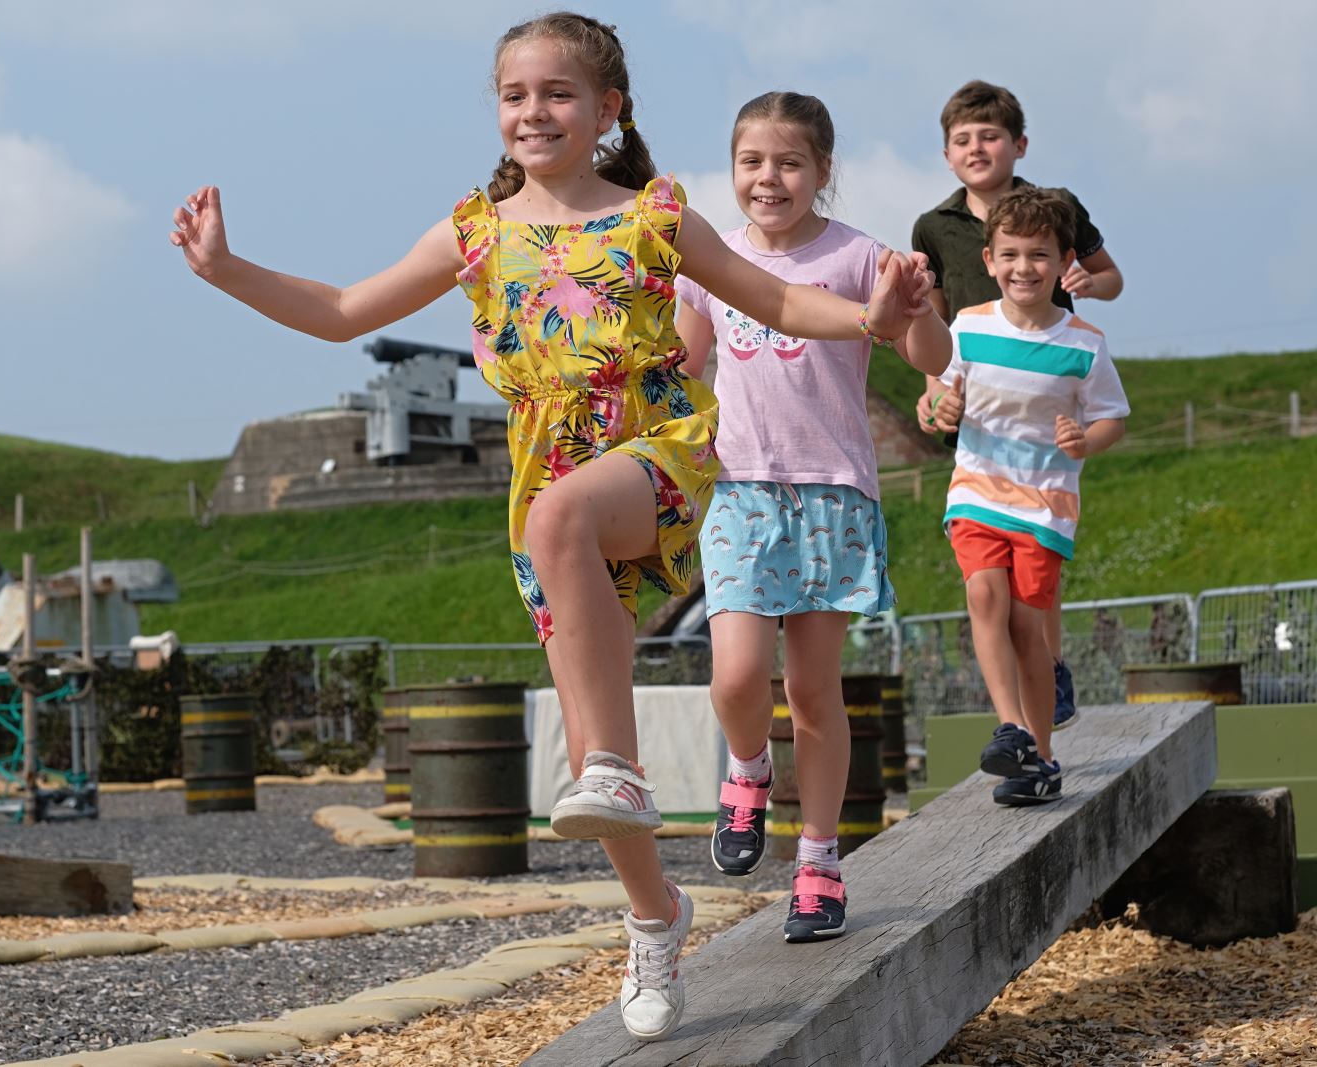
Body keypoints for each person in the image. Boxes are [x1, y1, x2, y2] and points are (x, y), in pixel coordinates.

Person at [170, 12, 932, 1041]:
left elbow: (778, 302)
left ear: (607, 110)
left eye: (558, 93)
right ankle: (656, 916)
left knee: (572, 527)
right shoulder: (475, 230)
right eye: (515, 95)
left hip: (652, 453)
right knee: (589, 758)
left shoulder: (655, 219)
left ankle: (639, 778)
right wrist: (227, 269)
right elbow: (347, 307)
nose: (535, 111)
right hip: (544, 493)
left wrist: (872, 320)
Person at [673, 92, 951, 943]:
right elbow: (681, 359)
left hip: (832, 491)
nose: (770, 178)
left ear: (823, 172)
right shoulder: (709, 260)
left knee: (813, 690)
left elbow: (931, 360)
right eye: (752, 162)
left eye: (789, 162)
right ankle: (749, 771)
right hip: (741, 490)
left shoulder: (861, 258)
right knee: (734, 676)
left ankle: (821, 864)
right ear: (733, 171)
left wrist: (919, 303)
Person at [912, 80, 1125, 731]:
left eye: (991, 136)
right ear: (948, 153)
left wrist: (1091, 281)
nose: (978, 148)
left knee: (1035, 567)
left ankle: (1050, 668)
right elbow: (933, 323)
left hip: (1046, 394)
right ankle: (1015, 710)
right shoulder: (934, 225)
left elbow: (1112, 278)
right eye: (963, 139)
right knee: (987, 574)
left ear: (1018, 144)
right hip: (979, 396)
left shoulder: (1057, 206)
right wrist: (932, 392)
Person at [938, 187, 1128, 806]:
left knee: (1029, 630)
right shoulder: (967, 328)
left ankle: (1042, 758)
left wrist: (1084, 442)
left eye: (1039, 255)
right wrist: (939, 408)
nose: (1025, 268)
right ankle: (1012, 728)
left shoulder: (1084, 343)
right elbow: (938, 400)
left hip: (1045, 504)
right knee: (984, 595)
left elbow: (1112, 420)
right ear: (990, 260)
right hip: (976, 492)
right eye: (1011, 255)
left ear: (1064, 260)